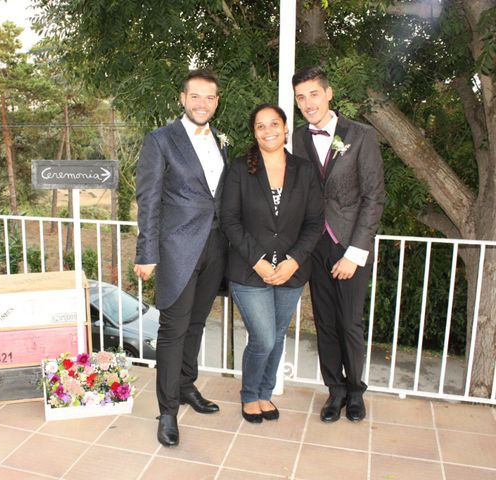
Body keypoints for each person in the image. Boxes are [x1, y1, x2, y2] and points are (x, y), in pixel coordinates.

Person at [134, 68, 228, 447]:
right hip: (176, 250)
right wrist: (146, 252)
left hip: (215, 249)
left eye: (209, 97)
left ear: (216, 102)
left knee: (197, 324)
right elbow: (149, 200)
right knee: (172, 331)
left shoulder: (220, 140)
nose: (202, 103)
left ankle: (187, 386)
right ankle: (167, 412)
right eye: (195, 96)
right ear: (182, 98)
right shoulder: (161, 140)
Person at [291, 66, 385, 423]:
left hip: (350, 246)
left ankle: (356, 391)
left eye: (313, 94)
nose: (307, 103)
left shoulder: (361, 135)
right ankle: (335, 391)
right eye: (301, 97)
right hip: (315, 247)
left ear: (328, 94)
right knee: (325, 324)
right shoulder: (298, 138)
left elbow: (373, 198)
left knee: (349, 323)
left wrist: (355, 253)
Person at [221, 104, 323, 423]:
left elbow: (315, 222)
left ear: (285, 127)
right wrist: (259, 261)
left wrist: (294, 260)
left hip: (291, 272)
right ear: (254, 132)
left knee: (277, 336)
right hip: (249, 272)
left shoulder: (304, 171)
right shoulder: (240, 169)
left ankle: (265, 393)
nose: (269, 131)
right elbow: (230, 220)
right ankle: (250, 394)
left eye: (274, 124)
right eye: (261, 126)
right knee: (264, 337)